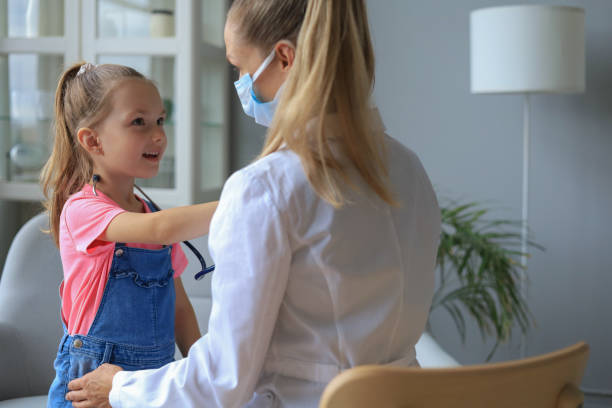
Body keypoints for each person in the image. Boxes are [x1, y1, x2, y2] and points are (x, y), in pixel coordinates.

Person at [65, 0, 441, 407]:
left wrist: (119, 388)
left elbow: (222, 382)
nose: (242, 82)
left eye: (240, 67)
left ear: (284, 58)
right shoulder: (408, 168)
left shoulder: (265, 189)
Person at [41, 62, 218, 408]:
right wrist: (245, 200)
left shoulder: (147, 213)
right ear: (92, 140)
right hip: (89, 390)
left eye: (160, 120)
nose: (158, 136)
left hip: (148, 388)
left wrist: (203, 368)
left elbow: (179, 306)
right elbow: (161, 229)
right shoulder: (83, 210)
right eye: (139, 122)